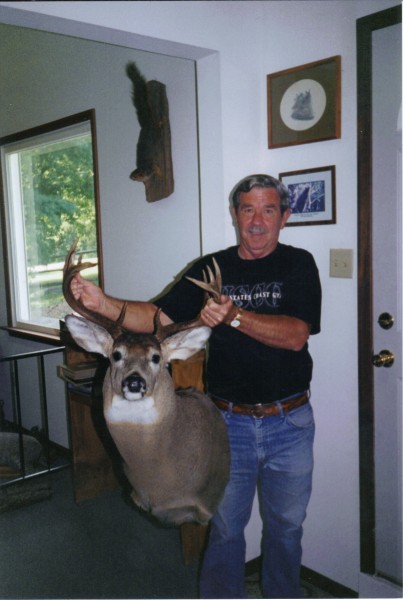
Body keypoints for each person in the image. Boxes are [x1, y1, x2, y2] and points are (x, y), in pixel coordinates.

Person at [70, 174, 322, 599]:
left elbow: (297, 334)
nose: (257, 221)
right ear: (235, 215)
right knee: (223, 530)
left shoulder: (298, 264)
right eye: (247, 210)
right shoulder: (210, 269)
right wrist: (102, 303)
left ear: (285, 217)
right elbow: (156, 318)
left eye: (268, 210)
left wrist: (233, 316)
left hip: (289, 422)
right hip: (229, 425)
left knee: (286, 530)